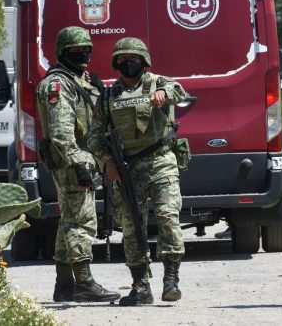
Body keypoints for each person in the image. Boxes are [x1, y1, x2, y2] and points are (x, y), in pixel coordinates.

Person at [87, 37, 186, 306]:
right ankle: (141, 286)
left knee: (168, 218)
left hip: (160, 161)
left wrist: (164, 95)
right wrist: (106, 161)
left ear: (143, 62)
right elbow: (94, 136)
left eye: (133, 59)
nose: (127, 63)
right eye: (121, 59)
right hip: (126, 169)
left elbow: (180, 92)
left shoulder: (159, 83)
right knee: (131, 229)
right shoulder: (108, 96)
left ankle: (171, 280)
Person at [36, 26, 119, 303]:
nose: (83, 55)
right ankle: (84, 282)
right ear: (62, 53)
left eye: (86, 50)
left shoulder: (79, 80)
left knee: (68, 221)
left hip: (81, 159)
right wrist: (80, 162)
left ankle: (64, 285)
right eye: (76, 51)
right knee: (81, 221)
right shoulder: (58, 84)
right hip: (73, 162)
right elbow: (60, 134)